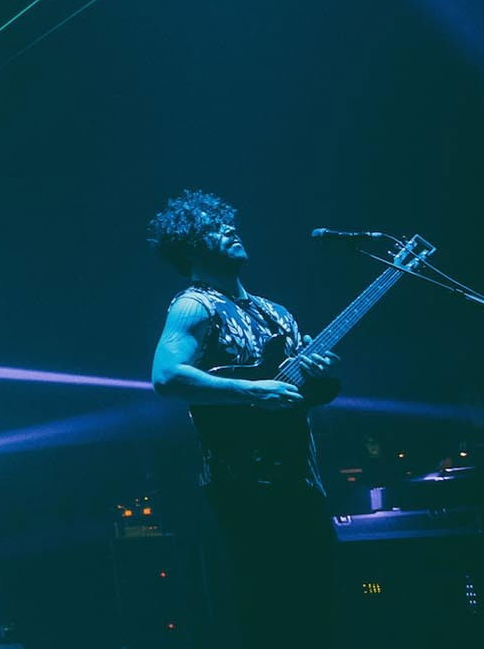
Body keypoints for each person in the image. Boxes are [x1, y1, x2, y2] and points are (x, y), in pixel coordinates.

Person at [147, 190, 339, 648]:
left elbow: (301, 396)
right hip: (241, 487)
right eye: (214, 228)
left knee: (320, 610)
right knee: (266, 612)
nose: (231, 230)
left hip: (301, 480)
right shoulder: (194, 305)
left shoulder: (277, 313)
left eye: (228, 224)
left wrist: (321, 375)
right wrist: (250, 390)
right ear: (191, 247)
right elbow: (167, 376)